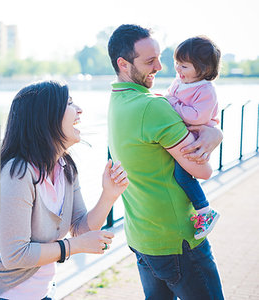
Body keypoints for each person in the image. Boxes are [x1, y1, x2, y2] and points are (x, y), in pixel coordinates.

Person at [0, 80, 129, 300]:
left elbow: (81, 229)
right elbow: (14, 255)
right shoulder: (17, 173)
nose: (79, 110)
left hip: (40, 292)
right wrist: (75, 246)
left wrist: (109, 195)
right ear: (46, 117)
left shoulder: (65, 167)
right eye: (69, 103)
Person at [107, 24, 224, 299]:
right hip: (177, 242)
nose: (160, 67)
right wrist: (215, 134)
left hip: (141, 238)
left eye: (160, 58)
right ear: (123, 64)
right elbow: (203, 170)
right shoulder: (154, 107)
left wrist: (212, 131)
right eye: (150, 61)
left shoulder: (118, 101)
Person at [166, 36, 222, 240]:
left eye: (184, 66)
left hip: (196, 141)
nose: (178, 70)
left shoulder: (205, 89)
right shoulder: (180, 82)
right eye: (176, 64)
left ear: (203, 69)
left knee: (183, 176)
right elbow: (168, 99)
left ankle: (204, 210)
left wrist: (172, 103)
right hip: (183, 136)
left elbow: (197, 116)